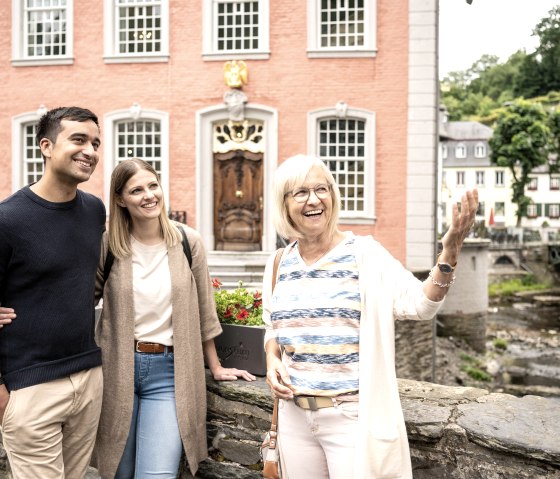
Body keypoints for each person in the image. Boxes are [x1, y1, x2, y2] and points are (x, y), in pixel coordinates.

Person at [262, 154, 478, 479]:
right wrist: (272, 360)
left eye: (322, 189)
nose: (314, 199)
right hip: (294, 420)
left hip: (350, 419)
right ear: (284, 204)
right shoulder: (279, 263)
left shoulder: (364, 253)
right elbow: (272, 327)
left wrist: (449, 254)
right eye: (300, 192)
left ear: (333, 196)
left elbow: (421, 304)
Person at [91, 158, 255, 479]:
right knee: (118, 473)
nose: (149, 195)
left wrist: (216, 366)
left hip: (169, 375)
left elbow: (204, 310)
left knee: (157, 475)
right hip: (116, 370)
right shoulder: (109, 245)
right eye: (136, 190)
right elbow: (81, 303)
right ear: (121, 199)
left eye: (153, 185)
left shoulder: (187, 242)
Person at [0, 106, 105, 478]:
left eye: (95, 142)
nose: (90, 150)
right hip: (30, 388)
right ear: (46, 146)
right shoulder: (7, 219)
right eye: (78, 139)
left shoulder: (94, 211)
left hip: (88, 378)